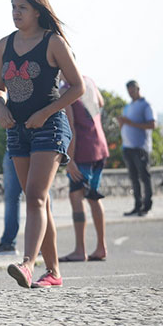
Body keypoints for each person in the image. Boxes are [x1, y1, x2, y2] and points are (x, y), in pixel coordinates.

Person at [0, 0, 84, 289]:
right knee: (37, 201)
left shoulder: (52, 42)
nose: (16, 13)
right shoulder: (4, 44)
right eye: (13, 7)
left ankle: (28, 264)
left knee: (35, 196)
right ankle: (54, 271)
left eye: (22, 8)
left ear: (37, 10)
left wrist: (45, 113)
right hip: (17, 130)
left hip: (50, 127)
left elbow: (77, 86)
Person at [60, 75, 110, 262]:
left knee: (76, 196)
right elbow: (101, 102)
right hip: (100, 145)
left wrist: (69, 159)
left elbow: (70, 126)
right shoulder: (89, 81)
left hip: (83, 150)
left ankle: (80, 250)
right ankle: (101, 247)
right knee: (94, 196)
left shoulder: (66, 90)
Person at [119, 80, 157, 217]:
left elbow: (152, 125)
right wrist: (122, 123)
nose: (131, 92)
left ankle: (146, 206)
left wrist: (131, 123)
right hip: (127, 147)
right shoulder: (128, 106)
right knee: (134, 178)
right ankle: (137, 205)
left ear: (138, 89)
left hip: (140, 147)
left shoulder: (146, 105)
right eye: (128, 90)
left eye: (133, 90)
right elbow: (126, 125)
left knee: (144, 178)